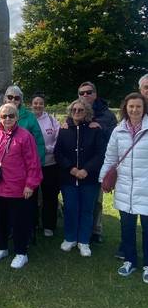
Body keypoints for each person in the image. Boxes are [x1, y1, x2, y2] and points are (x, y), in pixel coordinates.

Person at [0, 104, 42, 269]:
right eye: (4, 116)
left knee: (19, 222)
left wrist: (30, 185)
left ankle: (21, 253)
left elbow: (33, 163)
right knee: (0, 220)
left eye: (11, 116)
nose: (7, 119)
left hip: (18, 189)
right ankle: (2, 248)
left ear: (17, 117)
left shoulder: (25, 136)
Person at [99, 92, 148, 282]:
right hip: (125, 187)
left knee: (147, 229)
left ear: (144, 108)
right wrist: (104, 179)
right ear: (125, 108)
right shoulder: (118, 130)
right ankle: (129, 260)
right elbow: (110, 157)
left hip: (145, 188)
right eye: (131, 106)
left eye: (138, 106)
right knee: (126, 227)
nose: (134, 110)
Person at [54, 99, 105, 257]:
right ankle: (70, 238)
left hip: (89, 178)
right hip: (69, 178)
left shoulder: (94, 130)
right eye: (74, 110)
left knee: (87, 210)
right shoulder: (63, 130)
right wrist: (72, 169)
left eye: (81, 110)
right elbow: (58, 153)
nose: (77, 112)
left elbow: (100, 154)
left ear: (87, 112)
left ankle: (84, 241)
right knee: (70, 209)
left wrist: (86, 170)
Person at [77, 81, 117, 244]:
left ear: (95, 94)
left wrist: (99, 128)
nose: (85, 95)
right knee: (78, 197)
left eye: (89, 92)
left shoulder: (107, 115)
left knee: (96, 200)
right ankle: (78, 227)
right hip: (78, 163)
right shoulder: (75, 110)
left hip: (98, 163)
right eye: (82, 93)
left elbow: (114, 140)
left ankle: (95, 230)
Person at [31, 93, 60, 237]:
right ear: (31, 104)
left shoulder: (51, 120)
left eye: (40, 103)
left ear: (44, 105)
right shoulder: (28, 120)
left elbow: (58, 140)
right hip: (32, 165)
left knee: (50, 196)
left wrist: (46, 149)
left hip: (50, 164)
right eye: (35, 103)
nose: (38, 105)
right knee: (32, 195)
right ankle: (33, 223)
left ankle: (49, 225)